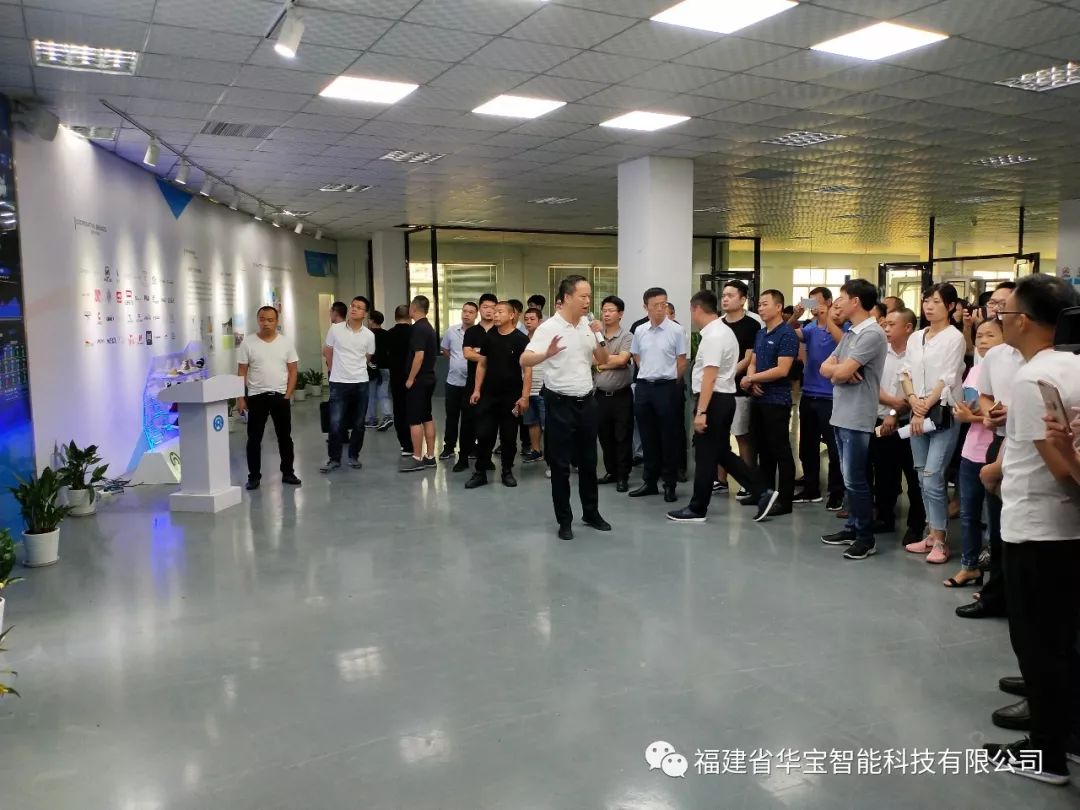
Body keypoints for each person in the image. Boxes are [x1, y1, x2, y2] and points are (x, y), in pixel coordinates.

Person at [980, 274, 1080, 786]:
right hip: (1066, 528)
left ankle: (1046, 754)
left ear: (1023, 321)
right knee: (1062, 639)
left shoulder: (1032, 379)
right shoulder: (1072, 366)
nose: (999, 319)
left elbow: (1057, 461)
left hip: (1037, 527)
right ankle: (1069, 734)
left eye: (1005, 313)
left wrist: (995, 475)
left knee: (1037, 644)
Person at [667, 291, 778, 523]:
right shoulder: (722, 331)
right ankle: (762, 491)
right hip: (722, 399)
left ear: (696, 309)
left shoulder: (715, 335)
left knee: (705, 456)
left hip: (714, 400)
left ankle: (697, 508)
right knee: (719, 452)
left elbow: (710, 376)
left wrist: (701, 412)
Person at [522, 274, 611, 541]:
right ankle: (564, 520)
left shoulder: (587, 325)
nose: (587, 301)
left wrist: (599, 334)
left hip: (587, 402)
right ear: (567, 297)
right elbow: (525, 359)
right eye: (583, 296)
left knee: (588, 462)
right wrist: (546, 354)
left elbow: (603, 359)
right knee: (560, 465)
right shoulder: (549, 327)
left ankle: (591, 513)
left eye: (589, 296)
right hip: (560, 403)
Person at [957, 285, 1025, 619]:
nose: (996, 310)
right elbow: (984, 394)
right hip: (1000, 441)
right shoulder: (996, 356)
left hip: (1030, 443)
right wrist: (992, 410)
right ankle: (996, 595)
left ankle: (1023, 598)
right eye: (995, 304)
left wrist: (1014, 412)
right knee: (998, 525)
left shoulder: (1049, 358)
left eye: (1004, 305)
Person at [818, 279, 888, 560]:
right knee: (849, 478)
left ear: (856, 301)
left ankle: (865, 537)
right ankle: (852, 528)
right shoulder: (850, 332)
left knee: (856, 479)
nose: (838, 304)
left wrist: (839, 372)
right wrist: (838, 372)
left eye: (842, 298)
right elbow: (826, 367)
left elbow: (841, 371)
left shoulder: (872, 334)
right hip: (842, 413)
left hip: (858, 415)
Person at [900, 283, 966, 564]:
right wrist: (913, 400)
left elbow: (947, 378)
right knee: (920, 476)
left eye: (936, 302)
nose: (929, 306)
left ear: (950, 306)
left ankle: (940, 540)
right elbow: (905, 372)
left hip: (942, 413)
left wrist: (923, 406)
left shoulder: (954, 338)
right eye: (926, 300)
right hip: (918, 410)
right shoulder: (916, 337)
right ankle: (931, 533)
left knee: (933, 476)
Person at [944, 318, 1004, 588]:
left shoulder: (1010, 373)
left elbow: (1000, 416)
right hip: (971, 450)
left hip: (997, 452)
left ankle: (996, 579)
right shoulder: (975, 371)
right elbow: (970, 407)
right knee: (968, 513)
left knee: (995, 519)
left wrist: (973, 417)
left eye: (990, 335)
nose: (983, 341)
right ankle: (969, 567)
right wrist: (967, 414)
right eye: (979, 336)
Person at [870, 308, 925, 545]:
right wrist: (891, 407)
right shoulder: (881, 351)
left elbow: (914, 390)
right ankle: (884, 518)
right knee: (884, 474)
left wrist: (894, 412)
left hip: (908, 423)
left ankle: (916, 525)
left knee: (913, 477)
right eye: (885, 324)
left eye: (892, 325)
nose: (886, 329)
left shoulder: (918, 355)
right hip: (881, 421)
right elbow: (872, 384)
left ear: (908, 328)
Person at [741, 289, 798, 515]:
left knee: (780, 450)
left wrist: (751, 378)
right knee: (761, 448)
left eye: (765, 304)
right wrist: (752, 379)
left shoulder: (787, 334)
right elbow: (753, 361)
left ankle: (784, 500)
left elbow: (782, 369)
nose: (761, 308)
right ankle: (764, 493)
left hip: (777, 400)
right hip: (758, 397)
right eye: (759, 304)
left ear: (779, 307)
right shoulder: (761, 333)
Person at [629, 287, 688, 503]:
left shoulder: (676, 330)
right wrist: (647, 371)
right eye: (656, 305)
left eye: (664, 304)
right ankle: (650, 482)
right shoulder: (640, 330)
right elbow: (635, 354)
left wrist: (670, 380)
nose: (661, 309)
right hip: (644, 387)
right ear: (646, 307)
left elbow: (682, 361)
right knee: (647, 436)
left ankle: (669, 484)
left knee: (668, 437)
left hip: (667, 387)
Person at [235, 305, 301, 490]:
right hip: (256, 397)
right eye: (262, 319)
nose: (266, 323)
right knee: (254, 439)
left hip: (280, 396)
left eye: (270, 320)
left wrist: (288, 394)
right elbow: (241, 371)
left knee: (285, 437)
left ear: (276, 322)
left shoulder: (285, 343)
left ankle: (288, 472)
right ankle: (254, 476)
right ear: (258, 320)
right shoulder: (248, 343)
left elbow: (293, 370)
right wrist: (240, 397)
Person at [790, 286, 845, 510]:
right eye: (810, 302)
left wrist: (827, 318)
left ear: (829, 302)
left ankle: (836, 492)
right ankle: (811, 488)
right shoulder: (810, 328)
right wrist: (795, 316)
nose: (813, 306)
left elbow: (844, 343)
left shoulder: (843, 326)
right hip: (809, 392)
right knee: (807, 445)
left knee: (834, 448)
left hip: (831, 396)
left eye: (817, 302)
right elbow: (786, 333)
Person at [466, 302, 530, 489]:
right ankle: (480, 472)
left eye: (500, 312)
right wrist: (477, 390)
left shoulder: (521, 339)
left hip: (511, 397)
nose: (495, 315)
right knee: (484, 434)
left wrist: (525, 396)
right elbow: (482, 364)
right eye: (494, 312)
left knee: (509, 437)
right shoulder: (489, 337)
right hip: (489, 396)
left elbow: (527, 370)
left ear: (511, 315)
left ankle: (507, 471)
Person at [321, 296, 375, 473]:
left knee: (359, 423)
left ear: (365, 313)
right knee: (335, 422)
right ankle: (334, 459)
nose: (354, 309)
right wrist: (332, 371)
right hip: (339, 382)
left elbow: (367, 357)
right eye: (353, 305)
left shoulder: (369, 335)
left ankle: (353, 456)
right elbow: (328, 351)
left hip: (361, 382)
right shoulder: (335, 329)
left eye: (359, 307)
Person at [717, 280, 760, 495]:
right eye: (724, 295)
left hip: (739, 388)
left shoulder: (752, 325)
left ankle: (748, 482)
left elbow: (749, 357)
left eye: (730, 295)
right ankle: (720, 480)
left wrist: (727, 375)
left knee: (742, 436)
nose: (725, 299)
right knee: (720, 435)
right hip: (718, 388)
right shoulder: (718, 324)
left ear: (742, 300)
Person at [594, 295, 634, 492]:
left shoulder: (627, 336)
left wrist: (601, 363)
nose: (606, 314)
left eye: (611, 310)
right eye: (604, 310)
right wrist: (609, 361)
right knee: (604, 436)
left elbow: (622, 360)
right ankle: (611, 471)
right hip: (600, 396)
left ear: (620, 314)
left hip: (621, 395)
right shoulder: (595, 335)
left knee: (622, 436)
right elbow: (590, 359)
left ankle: (623, 476)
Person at [456, 293, 497, 472]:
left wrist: (478, 353)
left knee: (490, 424)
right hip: (472, 384)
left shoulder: (499, 331)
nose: (489, 311)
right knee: (468, 422)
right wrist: (488, 357)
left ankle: (486, 458)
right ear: (480, 309)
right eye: (485, 307)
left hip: (494, 385)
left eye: (493, 308)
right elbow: (467, 353)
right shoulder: (472, 331)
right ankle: (463, 458)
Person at [400, 295, 438, 472]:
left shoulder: (418, 329)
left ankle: (416, 457)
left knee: (414, 419)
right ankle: (430, 456)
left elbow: (419, 356)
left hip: (419, 380)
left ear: (413, 309)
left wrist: (410, 378)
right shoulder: (429, 327)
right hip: (429, 378)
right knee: (426, 417)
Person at [440, 302, 478, 461]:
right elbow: (445, 350)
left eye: (470, 312)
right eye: (464, 311)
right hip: (453, 382)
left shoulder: (479, 333)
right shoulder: (451, 331)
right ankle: (449, 447)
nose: (466, 314)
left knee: (470, 418)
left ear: (476, 315)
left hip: (472, 384)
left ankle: (470, 447)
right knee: (451, 416)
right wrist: (457, 362)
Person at [385, 305, 413, 457]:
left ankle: (404, 444)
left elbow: (383, 357)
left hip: (396, 377)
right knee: (413, 410)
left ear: (395, 317)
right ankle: (414, 442)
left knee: (399, 410)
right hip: (413, 377)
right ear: (410, 315)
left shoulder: (389, 334)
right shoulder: (415, 333)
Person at [522, 307, 546, 464]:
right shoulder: (522, 340)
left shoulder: (545, 341)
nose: (528, 322)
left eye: (532, 319)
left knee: (547, 424)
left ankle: (552, 455)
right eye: (526, 319)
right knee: (532, 422)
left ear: (540, 321)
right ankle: (536, 451)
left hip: (543, 388)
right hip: (527, 389)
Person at [364, 310, 393, 431]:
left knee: (370, 395)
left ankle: (372, 419)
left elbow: (366, 353)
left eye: (369, 319)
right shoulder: (387, 334)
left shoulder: (367, 335)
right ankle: (387, 416)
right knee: (383, 394)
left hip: (372, 368)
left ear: (372, 321)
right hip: (385, 368)